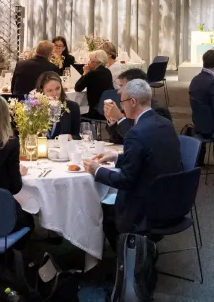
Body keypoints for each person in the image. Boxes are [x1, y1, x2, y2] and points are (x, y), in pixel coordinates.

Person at [85, 79, 182, 243]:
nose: (121, 106)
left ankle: (130, 259)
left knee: (100, 208)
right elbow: (149, 156)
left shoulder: (135, 133)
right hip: (173, 198)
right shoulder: (165, 123)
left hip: (145, 208)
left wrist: (97, 170)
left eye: (122, 102)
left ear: (133, 102)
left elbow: (126, 181)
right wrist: (116, 157)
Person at [102, 68, 173, 143]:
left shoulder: (157, 111)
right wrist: (113, 120)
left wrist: (120, 118)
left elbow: (141, 140)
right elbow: (117, 139)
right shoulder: (129, 106)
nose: (119, 91)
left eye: (122, 86)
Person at [35, 72, 81, 139]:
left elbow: (77, 137)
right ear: (42, 91)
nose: (54, 93)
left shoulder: (72, 107)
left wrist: (70, 137)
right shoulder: (35, 109)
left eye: (57, 88)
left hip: (63, 148)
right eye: (49, 90)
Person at [75, 49, 115, 120]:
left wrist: (85, 73)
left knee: (76, 112)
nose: (88, 62)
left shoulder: (92, 74)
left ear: (95, 62)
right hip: (108, 108)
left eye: (90, 60)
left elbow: (78, 88)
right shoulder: (108, 72)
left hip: (96, 111)